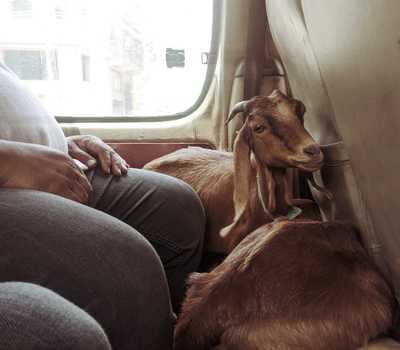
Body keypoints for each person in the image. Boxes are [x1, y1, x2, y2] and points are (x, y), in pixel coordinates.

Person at [0, 61, 205, 350]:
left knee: (176, 209)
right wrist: (8, 158)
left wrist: (55, 137)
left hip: (46, 159)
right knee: (127, 263)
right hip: (6, 178)